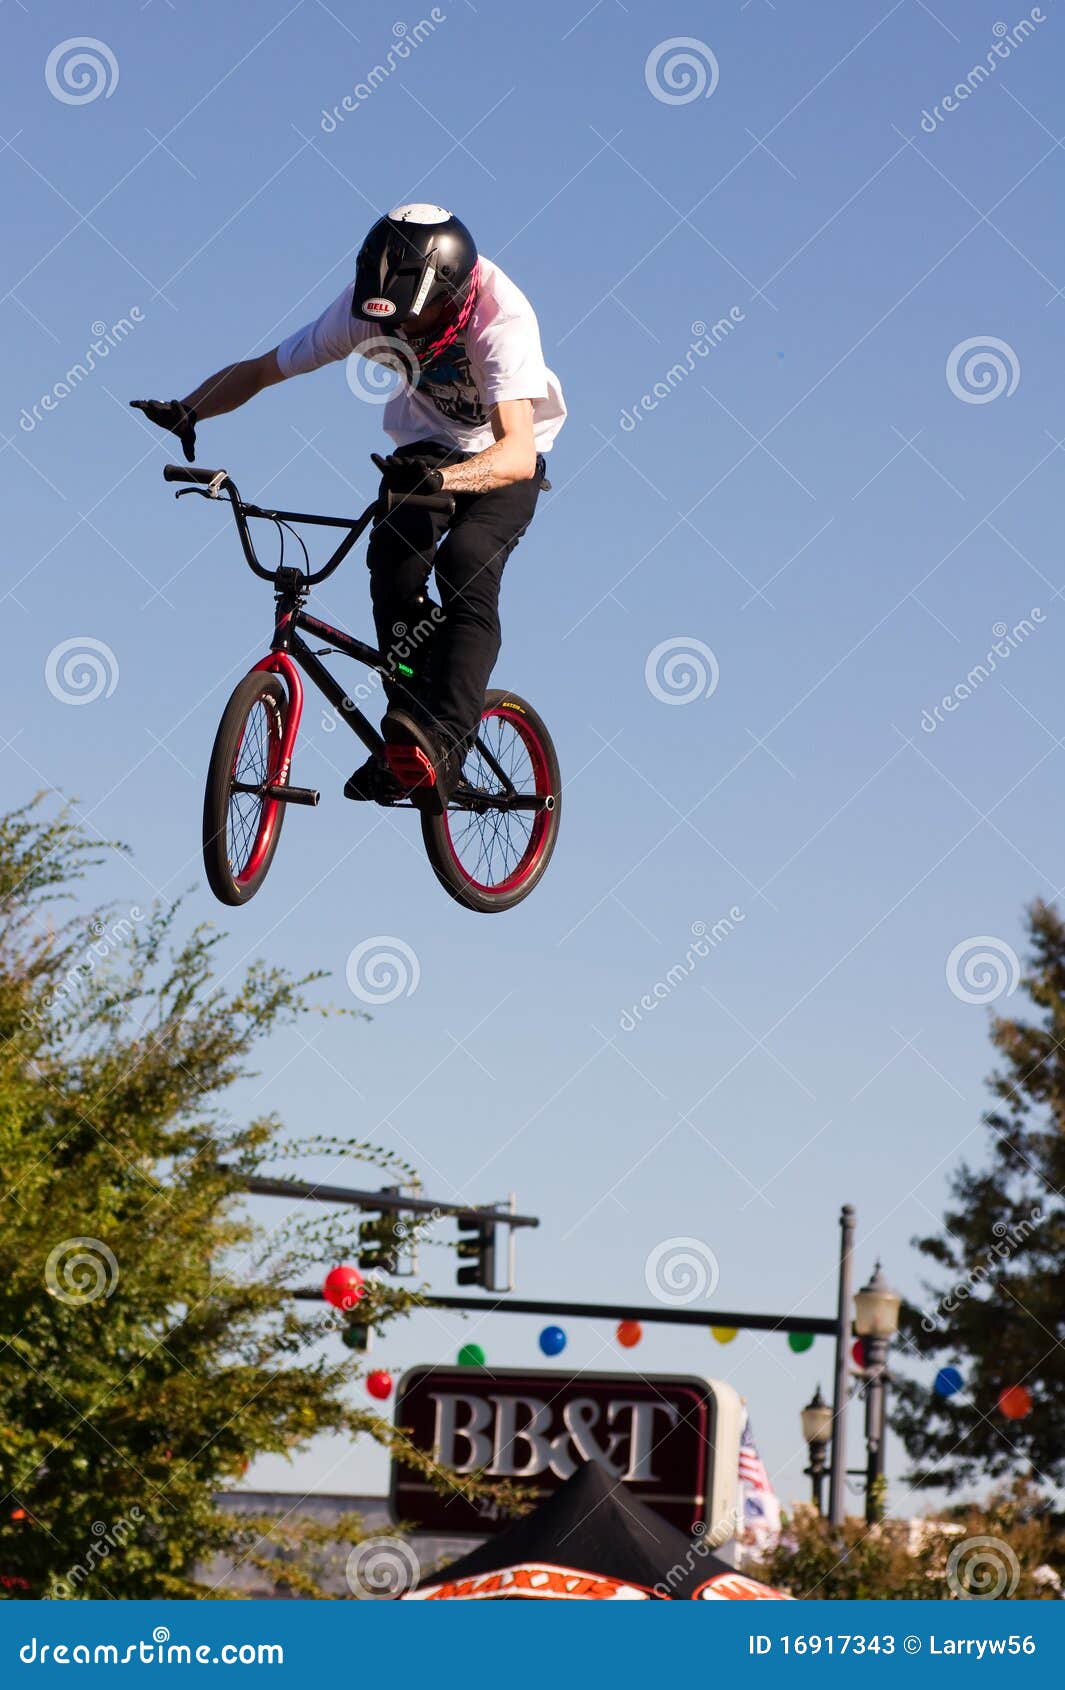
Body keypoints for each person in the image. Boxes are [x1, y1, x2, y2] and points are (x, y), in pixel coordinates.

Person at [132, 203, 566, 813]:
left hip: (501, 458)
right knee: (391, 562)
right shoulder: (366, 315)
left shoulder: (501, 320)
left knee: (466, 563)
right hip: (425, 451)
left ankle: (446, 742)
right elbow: (262, 370)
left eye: (417, 326)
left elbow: (517, 453)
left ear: (455, 294)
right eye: (395, 330)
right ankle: (405, 733)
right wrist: (191, 407)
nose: (403, 340)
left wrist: (446, 477)